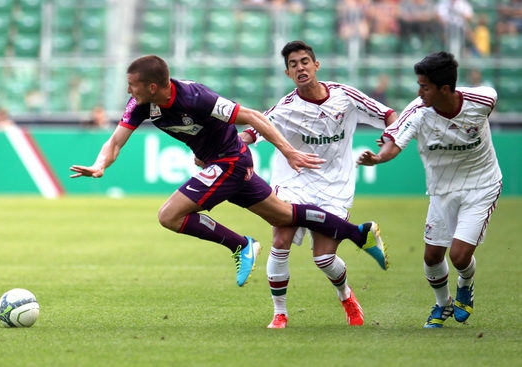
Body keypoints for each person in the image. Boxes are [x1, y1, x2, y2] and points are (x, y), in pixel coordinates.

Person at [70, 54, 387, 289]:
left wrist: (287, 150)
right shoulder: (140, 104)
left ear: (152, 86)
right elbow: (115, 142)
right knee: (284, 215)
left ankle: (240, 245)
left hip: (230, 160)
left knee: (169, 215)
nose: (129, 90)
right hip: (219, 163)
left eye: (133, 85)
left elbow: (251, 116)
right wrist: (99, 166)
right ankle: (358, 233)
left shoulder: (196, 97)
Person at [240, 40, 396, 328]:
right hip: (294, 182)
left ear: (316, 65)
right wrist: (230, 147)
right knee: (280, 241)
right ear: (288, 73)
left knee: (324, 258)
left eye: (304, 61)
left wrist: (392, 140)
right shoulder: (285, 108)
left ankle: (346, 296)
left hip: (335, 187)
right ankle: (280, 312)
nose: (299, 68)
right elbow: (251, 131)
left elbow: (388, 115)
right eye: (292, 64)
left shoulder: (345, 96)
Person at [357, 51, 502, 328]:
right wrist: (377, 159)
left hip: (481, 185)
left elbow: (484, 107)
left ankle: (465, 284)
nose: (419, 92)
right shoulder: (418, 112)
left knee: (459, 256)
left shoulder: (483, 100)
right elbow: (394, 144)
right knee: (432, 256)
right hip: (441, 190)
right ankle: (442, 303)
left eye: (424, 86)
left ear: (445, 89)